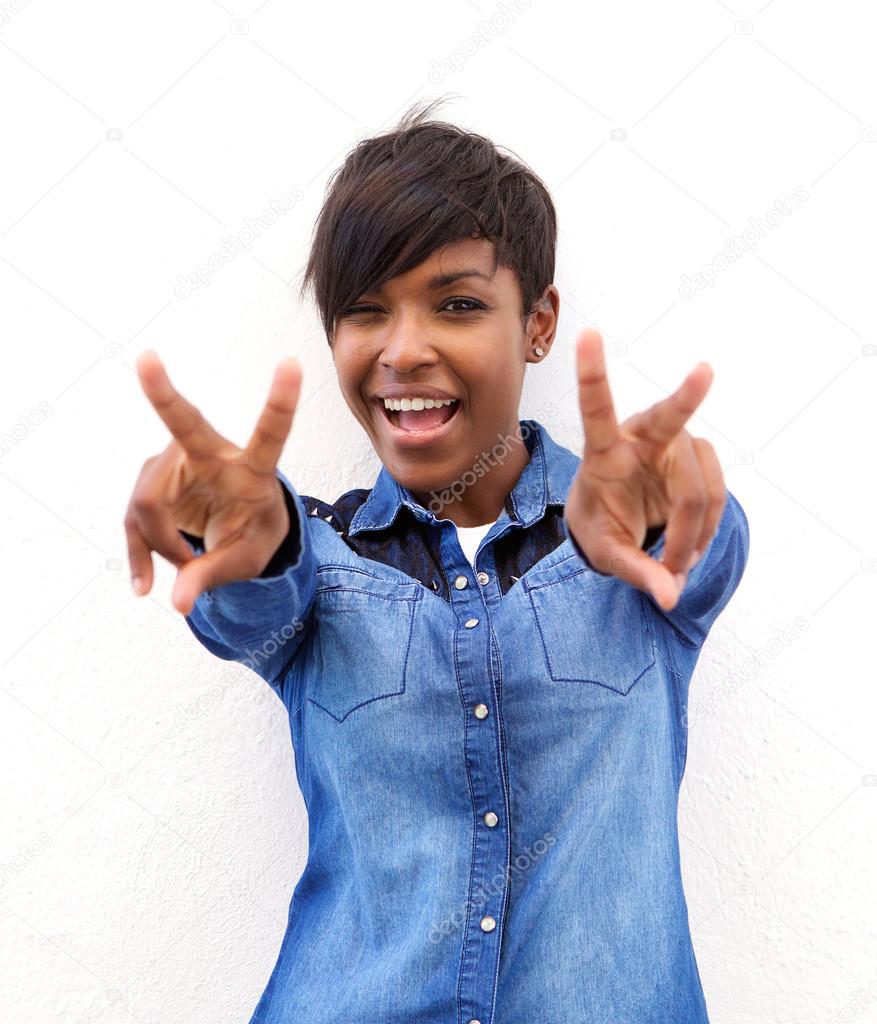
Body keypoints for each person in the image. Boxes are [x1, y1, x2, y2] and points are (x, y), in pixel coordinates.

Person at [124, 98, 750, 1024]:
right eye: (364, 311)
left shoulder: (628, 554)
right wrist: (247, 538)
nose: (403, 350)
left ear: (537, 325)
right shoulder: (313, 559)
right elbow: (253, 598)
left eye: (456, 305)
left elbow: (700, 546)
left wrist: (668, 502)